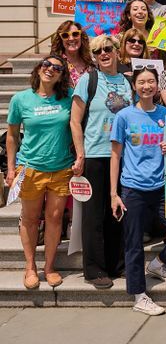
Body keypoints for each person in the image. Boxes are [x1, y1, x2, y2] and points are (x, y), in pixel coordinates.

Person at [110, 67, 166, 316]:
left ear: (157, 85)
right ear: (134, 86)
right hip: (133, 189)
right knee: (133, 245)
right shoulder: (124, 116)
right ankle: (139, 295)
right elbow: (115, 155)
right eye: (141, 82)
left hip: (162, 188)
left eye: (151, 81)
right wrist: (114, 193)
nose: (147, 86)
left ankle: (158, 264)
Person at [70, 35, 133, 289]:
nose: (104, 54)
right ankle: (95, 270)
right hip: (96, 154)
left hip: (124, 156)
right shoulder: (89, 80)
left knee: (118, 211)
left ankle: (117, 264)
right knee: (94, 214)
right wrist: (80, 154)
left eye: (108, 49)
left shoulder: (128, 81)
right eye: (98, 51)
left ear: (117, 52)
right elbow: (75, 121)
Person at [5, 55, 73, 290]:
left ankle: (49, 267)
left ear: (62, 75)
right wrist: (11, 169)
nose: (50, 69)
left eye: (57, 68)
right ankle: (30, 266)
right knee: (31, 219)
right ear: (38, 68)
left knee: (54, 219)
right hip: (30, 168)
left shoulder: (68, 98)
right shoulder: (20, 99)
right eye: (46, 64)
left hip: (61, 168)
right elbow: (12, 136)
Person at [50, 20, 93, 87]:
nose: (71, 38)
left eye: (75, 34)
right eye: (65, 35)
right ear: (61, 40)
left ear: (81, 37)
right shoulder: (55, 64)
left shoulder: (89, 62)